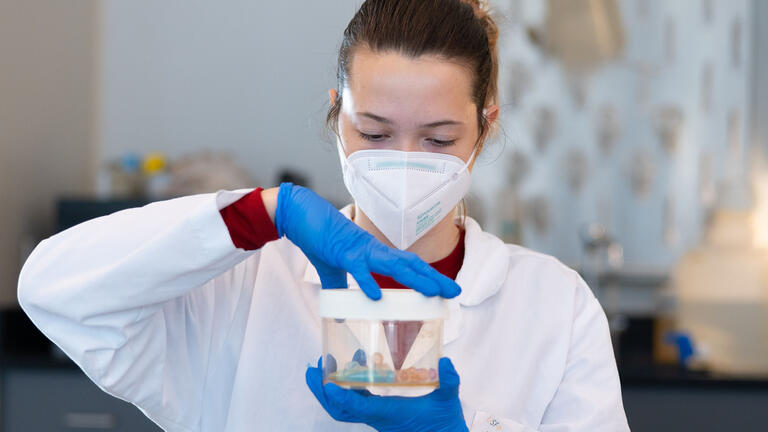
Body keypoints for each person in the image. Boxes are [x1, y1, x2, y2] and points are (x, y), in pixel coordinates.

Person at [17, 0, 629, 431]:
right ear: (337, 115)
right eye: (375, 131)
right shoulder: (247, 284)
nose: (406, 163)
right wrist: (260, 214)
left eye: (439, 140)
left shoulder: (554, 307)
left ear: (485, 125)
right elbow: (54, 292)